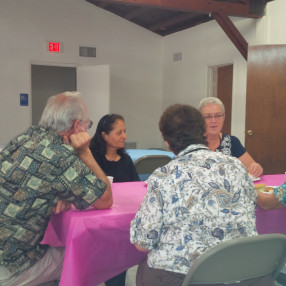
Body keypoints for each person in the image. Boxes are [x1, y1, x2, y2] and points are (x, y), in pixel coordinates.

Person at [130, 104, 274, 286]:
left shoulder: (163, 176)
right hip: (243, 271)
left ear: (167, 142)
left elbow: (143, 243)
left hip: (186, 276)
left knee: (145, 270)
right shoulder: (237, 166)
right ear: (203, 133)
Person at [0, 91, 113, 286]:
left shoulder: (22, 139)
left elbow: (37, 182)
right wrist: (84, 151)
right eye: (88, 124)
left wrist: (61, 194)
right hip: (10, 265)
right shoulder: (60, 155)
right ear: (77, 126)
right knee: (84, 260)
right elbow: (105, 199)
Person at [89, 113, 139, 286]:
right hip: (99, 224)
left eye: (124, 131)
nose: (124, 136)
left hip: (122, 224)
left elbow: (137, 188)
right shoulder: (93, 160)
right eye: (119, 132)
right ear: (104, 135)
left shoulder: (125, 160)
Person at [198, 97, 263, 177]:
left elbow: (251, 167)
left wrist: (256, 168)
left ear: (224, 118)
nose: (214, 120)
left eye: (218, 116)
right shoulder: (191, 143)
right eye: (208, 117)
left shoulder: (232, 141)